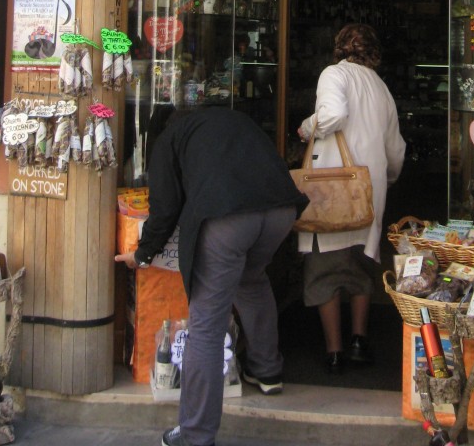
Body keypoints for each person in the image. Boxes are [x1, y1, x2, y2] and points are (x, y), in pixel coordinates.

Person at [115, 105, 308, 446]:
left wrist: (142, 254)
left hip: (228, 219)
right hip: (281, 211)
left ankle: (195, 434)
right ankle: (267, 370)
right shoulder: (232, 119)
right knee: (252, 279)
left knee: (206, 323)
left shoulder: (168, 138)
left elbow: (165, 207)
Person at [297, 23, 406, 374]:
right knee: (362, 267)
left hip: (332, 186)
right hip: (368, 190)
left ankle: (334, 350)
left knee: (324, 268)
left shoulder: (334, 74)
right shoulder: (381, 87)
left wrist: (306, 127)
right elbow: (395, 150)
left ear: (339, 47)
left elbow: (333, 115)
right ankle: (359, 339)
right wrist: (384, 179)